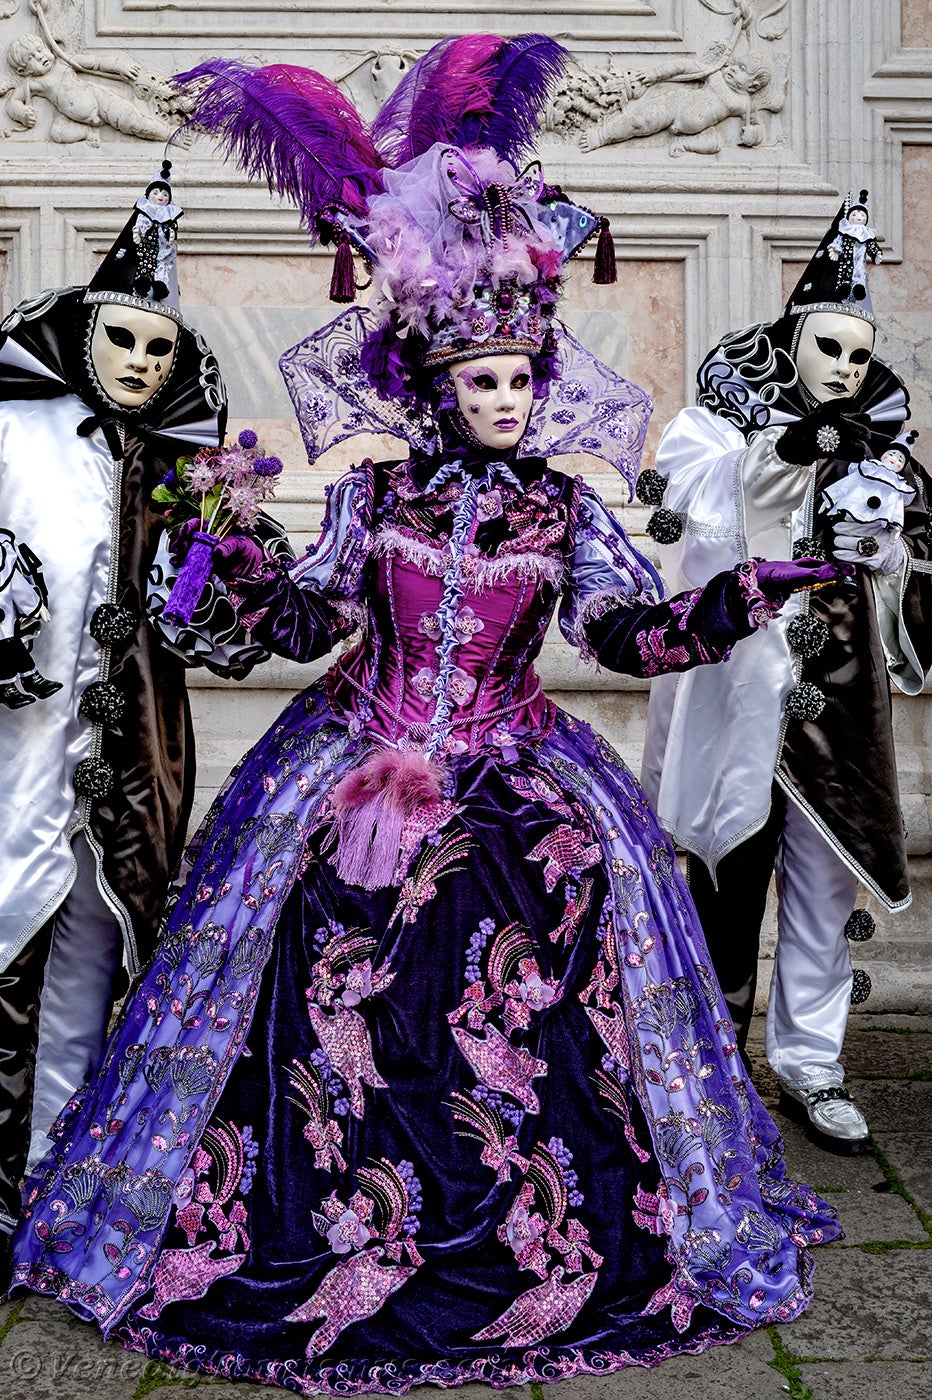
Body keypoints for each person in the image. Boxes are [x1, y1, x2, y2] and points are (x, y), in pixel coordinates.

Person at [11, 37, 843, 1388]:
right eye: (481, 381)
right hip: (351, 760)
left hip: (520, 773)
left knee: (550, 977)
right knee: (312, 986)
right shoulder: (372, 495)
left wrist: (745, 592)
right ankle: (307, 1218)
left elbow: (626, 634)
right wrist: (234, 555)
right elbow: (303, 628)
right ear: (435, 383)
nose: (506, 400)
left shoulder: (563, 510)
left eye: (521, 378)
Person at [0, 159, 262, 1289]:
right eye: (125, 340)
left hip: (136, 747)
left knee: (97, 948)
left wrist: (229, 561)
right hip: (21, 742)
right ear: (82, 334)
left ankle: (58, 1177)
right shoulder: (12, 434)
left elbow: (207, 615)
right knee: (7, 933)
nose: (144, 364)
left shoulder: (184, 466)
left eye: (163, 349)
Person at [641, 190, 932, 1154]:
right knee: (726, 870)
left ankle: (812, 1061)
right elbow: (704, 521)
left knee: (823, 887)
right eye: (829, 348)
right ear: (790, 342)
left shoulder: (886, 453)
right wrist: (790, 458)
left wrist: (888, 554)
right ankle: (712, 1058)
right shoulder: (715, 430)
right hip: (742, 696)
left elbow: (919, 565)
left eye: (860, 355)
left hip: (839, 710)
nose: (845, 368)